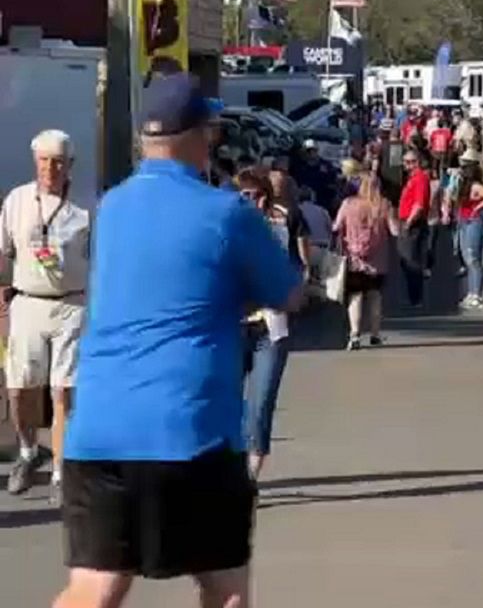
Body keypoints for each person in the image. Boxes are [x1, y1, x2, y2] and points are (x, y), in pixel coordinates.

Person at [57, 74, 302, 608]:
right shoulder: (226, 212)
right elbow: (288, 293)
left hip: (99, 430)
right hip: (191, 433)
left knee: (96, 586)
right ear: (202, 135)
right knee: (225, 588)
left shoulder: (110, 209)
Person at [0, 130, 91, 504]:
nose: (50, 169)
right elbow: (4, 253)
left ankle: (60, 471)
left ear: (69, 166)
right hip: (27, 301)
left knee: (62, 391)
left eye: (57, 162)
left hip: (72, 304)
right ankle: (27, 450)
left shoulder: (86, 207)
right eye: (43, 161)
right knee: (19, 389)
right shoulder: (18, 200)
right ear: (35, 162)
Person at [234, 169, 296, 482]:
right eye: (246, 197)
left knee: (260, 405)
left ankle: (249, 480)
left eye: (258, 196)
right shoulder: (223, 229)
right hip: (232, 328)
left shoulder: (276, 228)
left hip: (269, 330)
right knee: (226, 403)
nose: (254, 203)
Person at [334, 173, 400, 350]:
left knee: (355, 297)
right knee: (375, 296)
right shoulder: (384, 205)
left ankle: (354, 335)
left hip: (353, 259)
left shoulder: (348, 204)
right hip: (377, 261)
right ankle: (375, 334)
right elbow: (395, 231)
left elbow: (336, 227)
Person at [454, 160, 483, 310]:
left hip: (474, 221)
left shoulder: (476, 186)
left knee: (473, 258)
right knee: (467, 258)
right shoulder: (464, 186)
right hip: (465, 221)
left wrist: (478, 206)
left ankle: (477, 294)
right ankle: (471, 292)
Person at [397, 150, 431, 308]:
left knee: (411, 261)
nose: (407, 165)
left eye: (410, 162)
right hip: (408, 221)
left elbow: (419, 204)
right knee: (407, 261)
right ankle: (413, 296)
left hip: (413, 223)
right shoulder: (412, 179)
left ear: (417, 162)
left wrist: (409, 222)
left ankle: (416, 298)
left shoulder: (420, 179)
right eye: (405, 162)